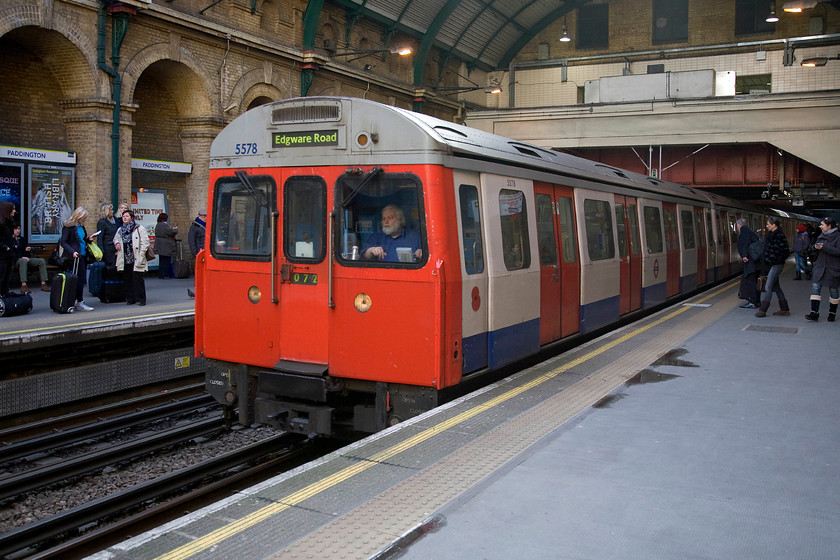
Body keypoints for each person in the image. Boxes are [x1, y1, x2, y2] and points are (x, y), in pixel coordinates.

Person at [59, 206, 97, 311]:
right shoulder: (68, 226)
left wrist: (88, 239)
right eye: (84, 217)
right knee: (78, 279)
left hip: (82, 254)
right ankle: (79, 302)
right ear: (78, 216)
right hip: (75, 256)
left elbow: (82, 240)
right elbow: (64, 242)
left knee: (81, 279)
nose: (85, 219)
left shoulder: (81, 227)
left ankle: (77, 300)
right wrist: (72, 252)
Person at [805, 217, 840, 322]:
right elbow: (813, 249)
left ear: (829, 226)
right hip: (820, 267)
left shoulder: (838, 237)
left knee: (833, 290)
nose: (820, 226)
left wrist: (824, 247)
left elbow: (838, 252)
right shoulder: (821, 235)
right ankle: (814, 313)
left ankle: (832, 313)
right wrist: (815, 247)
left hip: (833, 267)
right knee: (815, 287)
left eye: (822, 225)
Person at [755, 216, 790, 318]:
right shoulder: (771, 234)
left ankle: (763, 310)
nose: (766, 226)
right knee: (776, 287)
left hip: (775, 264)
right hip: (770, 264)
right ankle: (784, 308)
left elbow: (784, 251)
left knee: (768, 286)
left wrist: (772, 258)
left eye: (768, 224)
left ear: (774, 225)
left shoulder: (779, 236)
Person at [114, 209, 150, 306]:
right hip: (125, 258)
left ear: (132, 218)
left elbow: (145, 242)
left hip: (136, 257)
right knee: (127, 279)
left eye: (127, 216)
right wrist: (116, 243)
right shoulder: (120, 230)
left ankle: (141, 299)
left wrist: (141, 254)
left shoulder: (139, 228)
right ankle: (130, 299)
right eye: (123, 216)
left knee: (137, 279)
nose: (124, 218)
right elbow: (116, 239)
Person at [11, 224, 50, 293]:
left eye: (19, 229)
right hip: (16, 260)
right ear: (12, 230)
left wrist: (27, 251)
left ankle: (43, 283)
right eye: (16, 229)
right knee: (23, 261)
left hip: (25, 259)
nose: (18, 231)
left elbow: (25, 253)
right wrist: (21, 257)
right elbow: (11, 253)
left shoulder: (22, 239)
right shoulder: (10, 240)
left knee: (41, 261)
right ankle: (24, 285)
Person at [735, 217, 760, 309]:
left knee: (750, 280)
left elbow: (744, 243)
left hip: (750, 261)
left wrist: (744, 255)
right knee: (754, 280)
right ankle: (756, 301)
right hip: (755, 260)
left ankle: (752, 301)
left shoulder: (744, 230)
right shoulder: (750, 230)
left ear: (738, 225)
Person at [154, 213, 179, 279]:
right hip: (165, 245)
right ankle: (165, 274)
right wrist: (175, 229)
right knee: (166, 260)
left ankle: (161, 274)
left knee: (162, 260)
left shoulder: (158, 224)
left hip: (160, 244)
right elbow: (171, 232)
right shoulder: (164, 225)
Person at [96, 203, 120, 269]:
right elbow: (100, 238)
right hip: (107, 250)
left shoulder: (114, 221)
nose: (112, 211)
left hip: (114, 248)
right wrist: (101, 252)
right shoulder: (102, 222)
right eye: (110, 210)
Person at [0, 201, 16, 296]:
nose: (14, 211)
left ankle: (5, 295)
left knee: (7, 277)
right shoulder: (1, 224)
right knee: (1, 276)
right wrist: (5, 247)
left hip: (9, 255)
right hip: (2, 255)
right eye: (12, 209)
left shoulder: (9, 222)